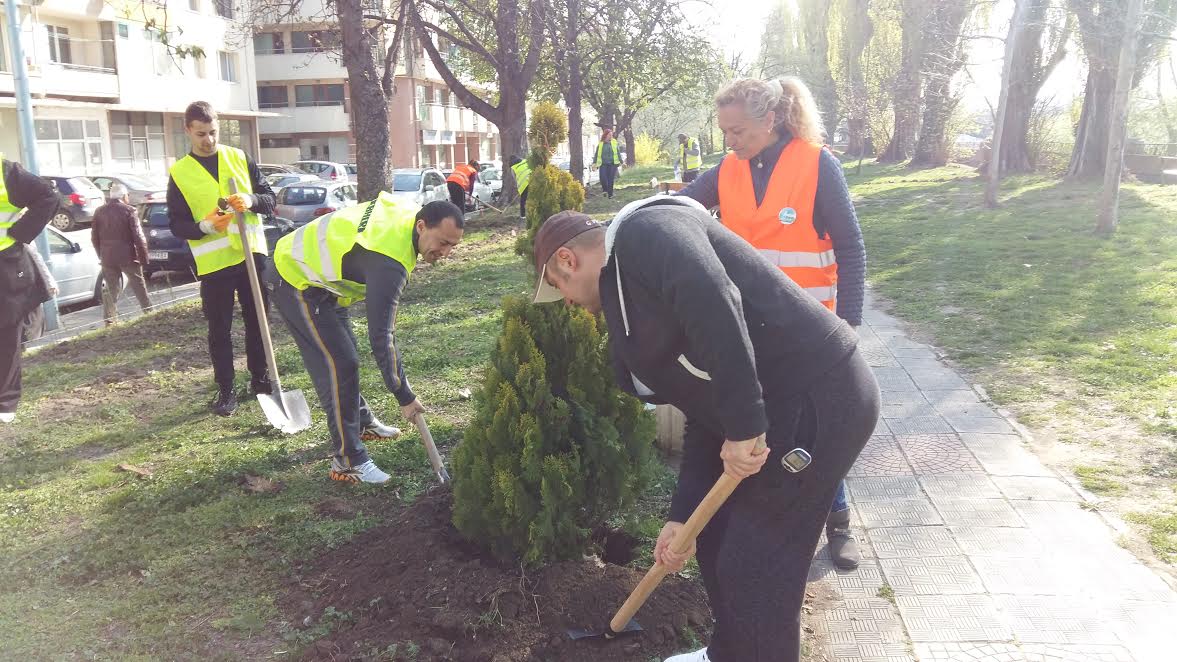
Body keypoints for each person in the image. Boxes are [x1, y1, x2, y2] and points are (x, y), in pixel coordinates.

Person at [532, 198, 879, 662]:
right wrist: (682, 515)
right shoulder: (629, 291)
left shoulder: (644, 233)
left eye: (561, 288)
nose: (571, 303)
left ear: (567, 260)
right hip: (776, 405)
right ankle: (726, 654)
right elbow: (703, 409)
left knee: (757, 566)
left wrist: (744, 426)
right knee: (715, 542)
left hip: (819, 396)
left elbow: (714, 296)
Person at [679, 76, 868, 570]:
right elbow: (678, 209)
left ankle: (840, 523)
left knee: (820, 427)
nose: (731, 142)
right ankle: (775, 524)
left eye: (738, 131)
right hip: (748, 331)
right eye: (725, 132)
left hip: (812, 334)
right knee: (764, 425)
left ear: (771, 119)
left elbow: (850, 249)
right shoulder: (727, 170)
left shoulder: (816, 164)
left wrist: (849, 326)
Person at [267, 197, 465, 484]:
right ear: (422, 226)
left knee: (346, 358)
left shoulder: (409, 220)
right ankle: (348, 461)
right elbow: (382, 337)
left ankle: (361, 424)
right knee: (339, 364)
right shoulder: (389, 263)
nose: (445, 252)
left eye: (453, 246)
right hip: (294, 277)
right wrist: (404, 395)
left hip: (327, 281)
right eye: (442, 242)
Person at [167, 101, 278, 417]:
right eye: (201, 134)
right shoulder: (180, 173)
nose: (208, 140)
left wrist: (251, 200)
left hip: (249, 255)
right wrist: (201, 227)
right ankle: (226, 391)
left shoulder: (239, 158)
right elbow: (176, 223)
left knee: (258, 321)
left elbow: (270, 199)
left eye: (213, 132)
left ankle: (260, 381)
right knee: (220, 329)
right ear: (188, 130)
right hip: (215, 264)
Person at [0, 155, 60, 424]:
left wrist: (19, 232)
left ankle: (5, 403)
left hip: (4, 263)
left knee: (7, 333)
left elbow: (49, 197)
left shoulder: (6, 172)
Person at [92, 183, 153, 325]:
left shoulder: (99, 212)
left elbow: (94, 237)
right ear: (124, 196)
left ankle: (109, 320)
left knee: (111, 288)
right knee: (138, 285)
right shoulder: (130, 210)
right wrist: (144, 258)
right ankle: (149, 312)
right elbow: (138, 236)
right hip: (128, 256)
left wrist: (101, 254)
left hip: (107, 256)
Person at [592, 127, 622, 198]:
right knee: (603, 178)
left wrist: (621, 161)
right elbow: (596, 154)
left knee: (610, 179)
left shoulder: (614, 142)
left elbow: (618, 152)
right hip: (603, 164)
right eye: (609, 135)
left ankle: (610, 194)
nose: (611, 136)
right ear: (605, 135)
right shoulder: (601, 144)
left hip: (612, 164)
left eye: (611, 135)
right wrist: (594, 163)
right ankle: (605, 190)